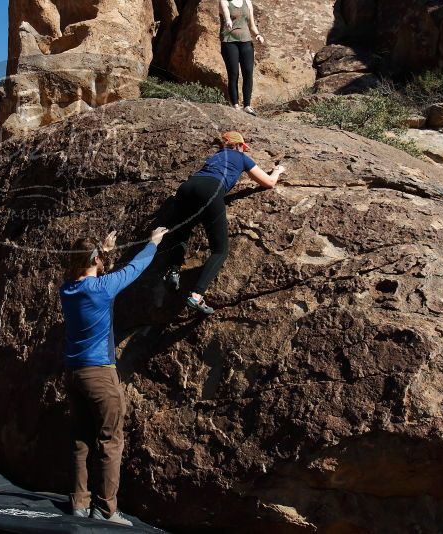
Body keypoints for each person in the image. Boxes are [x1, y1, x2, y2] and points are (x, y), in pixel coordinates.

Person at [60, 227, 169, 526]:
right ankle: (106, 509)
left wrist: (103, 252)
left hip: (73, 373)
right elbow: (136, 267)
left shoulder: (66, 289)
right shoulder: (102, 288)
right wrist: (152, 243)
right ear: (94, 260)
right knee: (110, 440)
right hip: (100, 374)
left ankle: (79, 504)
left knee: (81, 440)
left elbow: (86, 271)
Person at [163, 131, 285, 314]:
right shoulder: (242, 158)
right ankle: (196, 296)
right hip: (210, 189)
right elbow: (268, 183)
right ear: (239, 146)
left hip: (187, 187)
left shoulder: (216, 156)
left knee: (183, 231)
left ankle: (173, 271)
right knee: (220, 250)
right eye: (243, 147)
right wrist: (277, 171)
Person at [219, 0, 264, 115]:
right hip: (229, 41)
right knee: (233, 73)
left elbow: (252, 25)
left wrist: (258, 35)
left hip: (246, 42)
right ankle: (235, 106)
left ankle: (247, 106)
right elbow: (226, 15)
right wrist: (228, 21)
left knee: (248, 72)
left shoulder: (247, 2)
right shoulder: (224, 1)